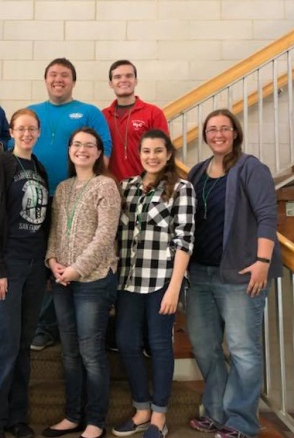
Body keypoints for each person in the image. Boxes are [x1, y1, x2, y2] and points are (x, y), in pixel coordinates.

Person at [186, 109, 282, 438]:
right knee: (204, 346)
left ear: (235, 133)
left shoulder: (251, 168)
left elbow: (268, 215)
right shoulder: (198, 172)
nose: (218, 134)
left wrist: (263, 261)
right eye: (212, 129)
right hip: (199, 274)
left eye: (224, 128)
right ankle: (216, 412)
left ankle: (241, 422)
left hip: (241, 274)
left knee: (243, 349)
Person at [112, 129, 195, 438]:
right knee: (126, 343)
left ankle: (159, 416)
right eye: (146, 151)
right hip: (128, 281)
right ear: (140, 154)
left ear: (168, 153)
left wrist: (175, 287)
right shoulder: (127, 187)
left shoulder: (182, 189)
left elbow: (184, 240)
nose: (152, 156)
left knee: (160, 346)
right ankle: (142, 409)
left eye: (158, 151)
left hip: (162, 281)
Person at [28, 58, 112, 352]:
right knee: (45, 261)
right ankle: (42, 326)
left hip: (75, 197)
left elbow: (104, 152)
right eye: (53, 74)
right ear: (45, 79)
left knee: (74, 261)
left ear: (73, 81)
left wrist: (89, 187)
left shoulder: (89, 112)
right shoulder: (34, 112)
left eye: (64, 75)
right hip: (37, 199)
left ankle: (65, 327)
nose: (58, 79)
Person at [42, 127, 121, 438]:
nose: (83, 150)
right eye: (77, 144)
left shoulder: (107, 185)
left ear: (99, 152)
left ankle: (95, 420)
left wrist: (77, 269)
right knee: (69, 352)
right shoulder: (62, 188)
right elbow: (54, 232)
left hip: (94, 280)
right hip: (63, 280)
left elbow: (105, 237)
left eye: (90, 145)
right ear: (70, 149)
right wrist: (52, 261)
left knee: (90, 351)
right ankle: (73, 415)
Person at [0, 109, 51, 438]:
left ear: (38, 132)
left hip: (36, 268)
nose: (26, 133)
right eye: (20, 128)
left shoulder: (39, 169)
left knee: (24, 345)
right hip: (8, 266)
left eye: (32, 129)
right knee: (7, 344)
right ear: (11, 132)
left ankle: (17, 417)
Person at [102, 60, 170, 181]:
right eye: (117, 77)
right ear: (110, 83)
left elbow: (164, 150)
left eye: (129, 76)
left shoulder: (153, 113)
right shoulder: (102, 116)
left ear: (136, 81)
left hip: (144, 186)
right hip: (111, 186)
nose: (123, 80)